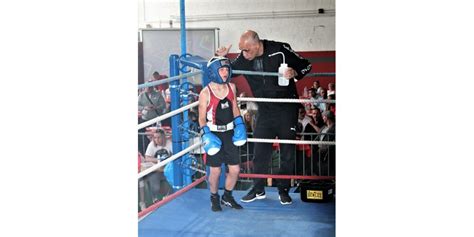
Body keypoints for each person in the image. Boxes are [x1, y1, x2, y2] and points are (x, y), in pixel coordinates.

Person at [216, 30, 312, 205]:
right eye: (241, 50)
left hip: (286, 109)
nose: (243, 54)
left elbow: (306, 65)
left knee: (287, 152)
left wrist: (294, 73)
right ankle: (258, 187)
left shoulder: (280, 50)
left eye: (246, 50)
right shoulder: (244, 58)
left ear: (256, 44)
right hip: (265, 110)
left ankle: (283, 190)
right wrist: (221, 59)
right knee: (260, 150)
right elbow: (228, 72)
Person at [198, 56, 247, 211]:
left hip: (230, 132)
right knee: (216, 170)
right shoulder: (205, 93)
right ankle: (214, 197)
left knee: (235, 169)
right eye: (222, 69)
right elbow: (201, 118)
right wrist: (206, 133)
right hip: (213, 133)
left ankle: (227, 196)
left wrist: (239, 123)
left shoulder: (231, 87)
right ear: (214, 71)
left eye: (227, 69)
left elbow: (234, 108)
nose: (225, 72)